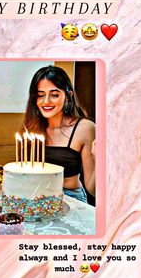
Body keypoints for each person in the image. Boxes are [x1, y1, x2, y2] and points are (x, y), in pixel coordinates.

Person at [23, 65, 95, 203]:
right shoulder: (32, 127)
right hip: (36, 197)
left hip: (70, 198)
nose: (46, 101)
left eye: (54, 95)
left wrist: (100, 158)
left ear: (68, 96)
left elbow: (94, 190)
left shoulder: (85, 128)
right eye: (40, 95)